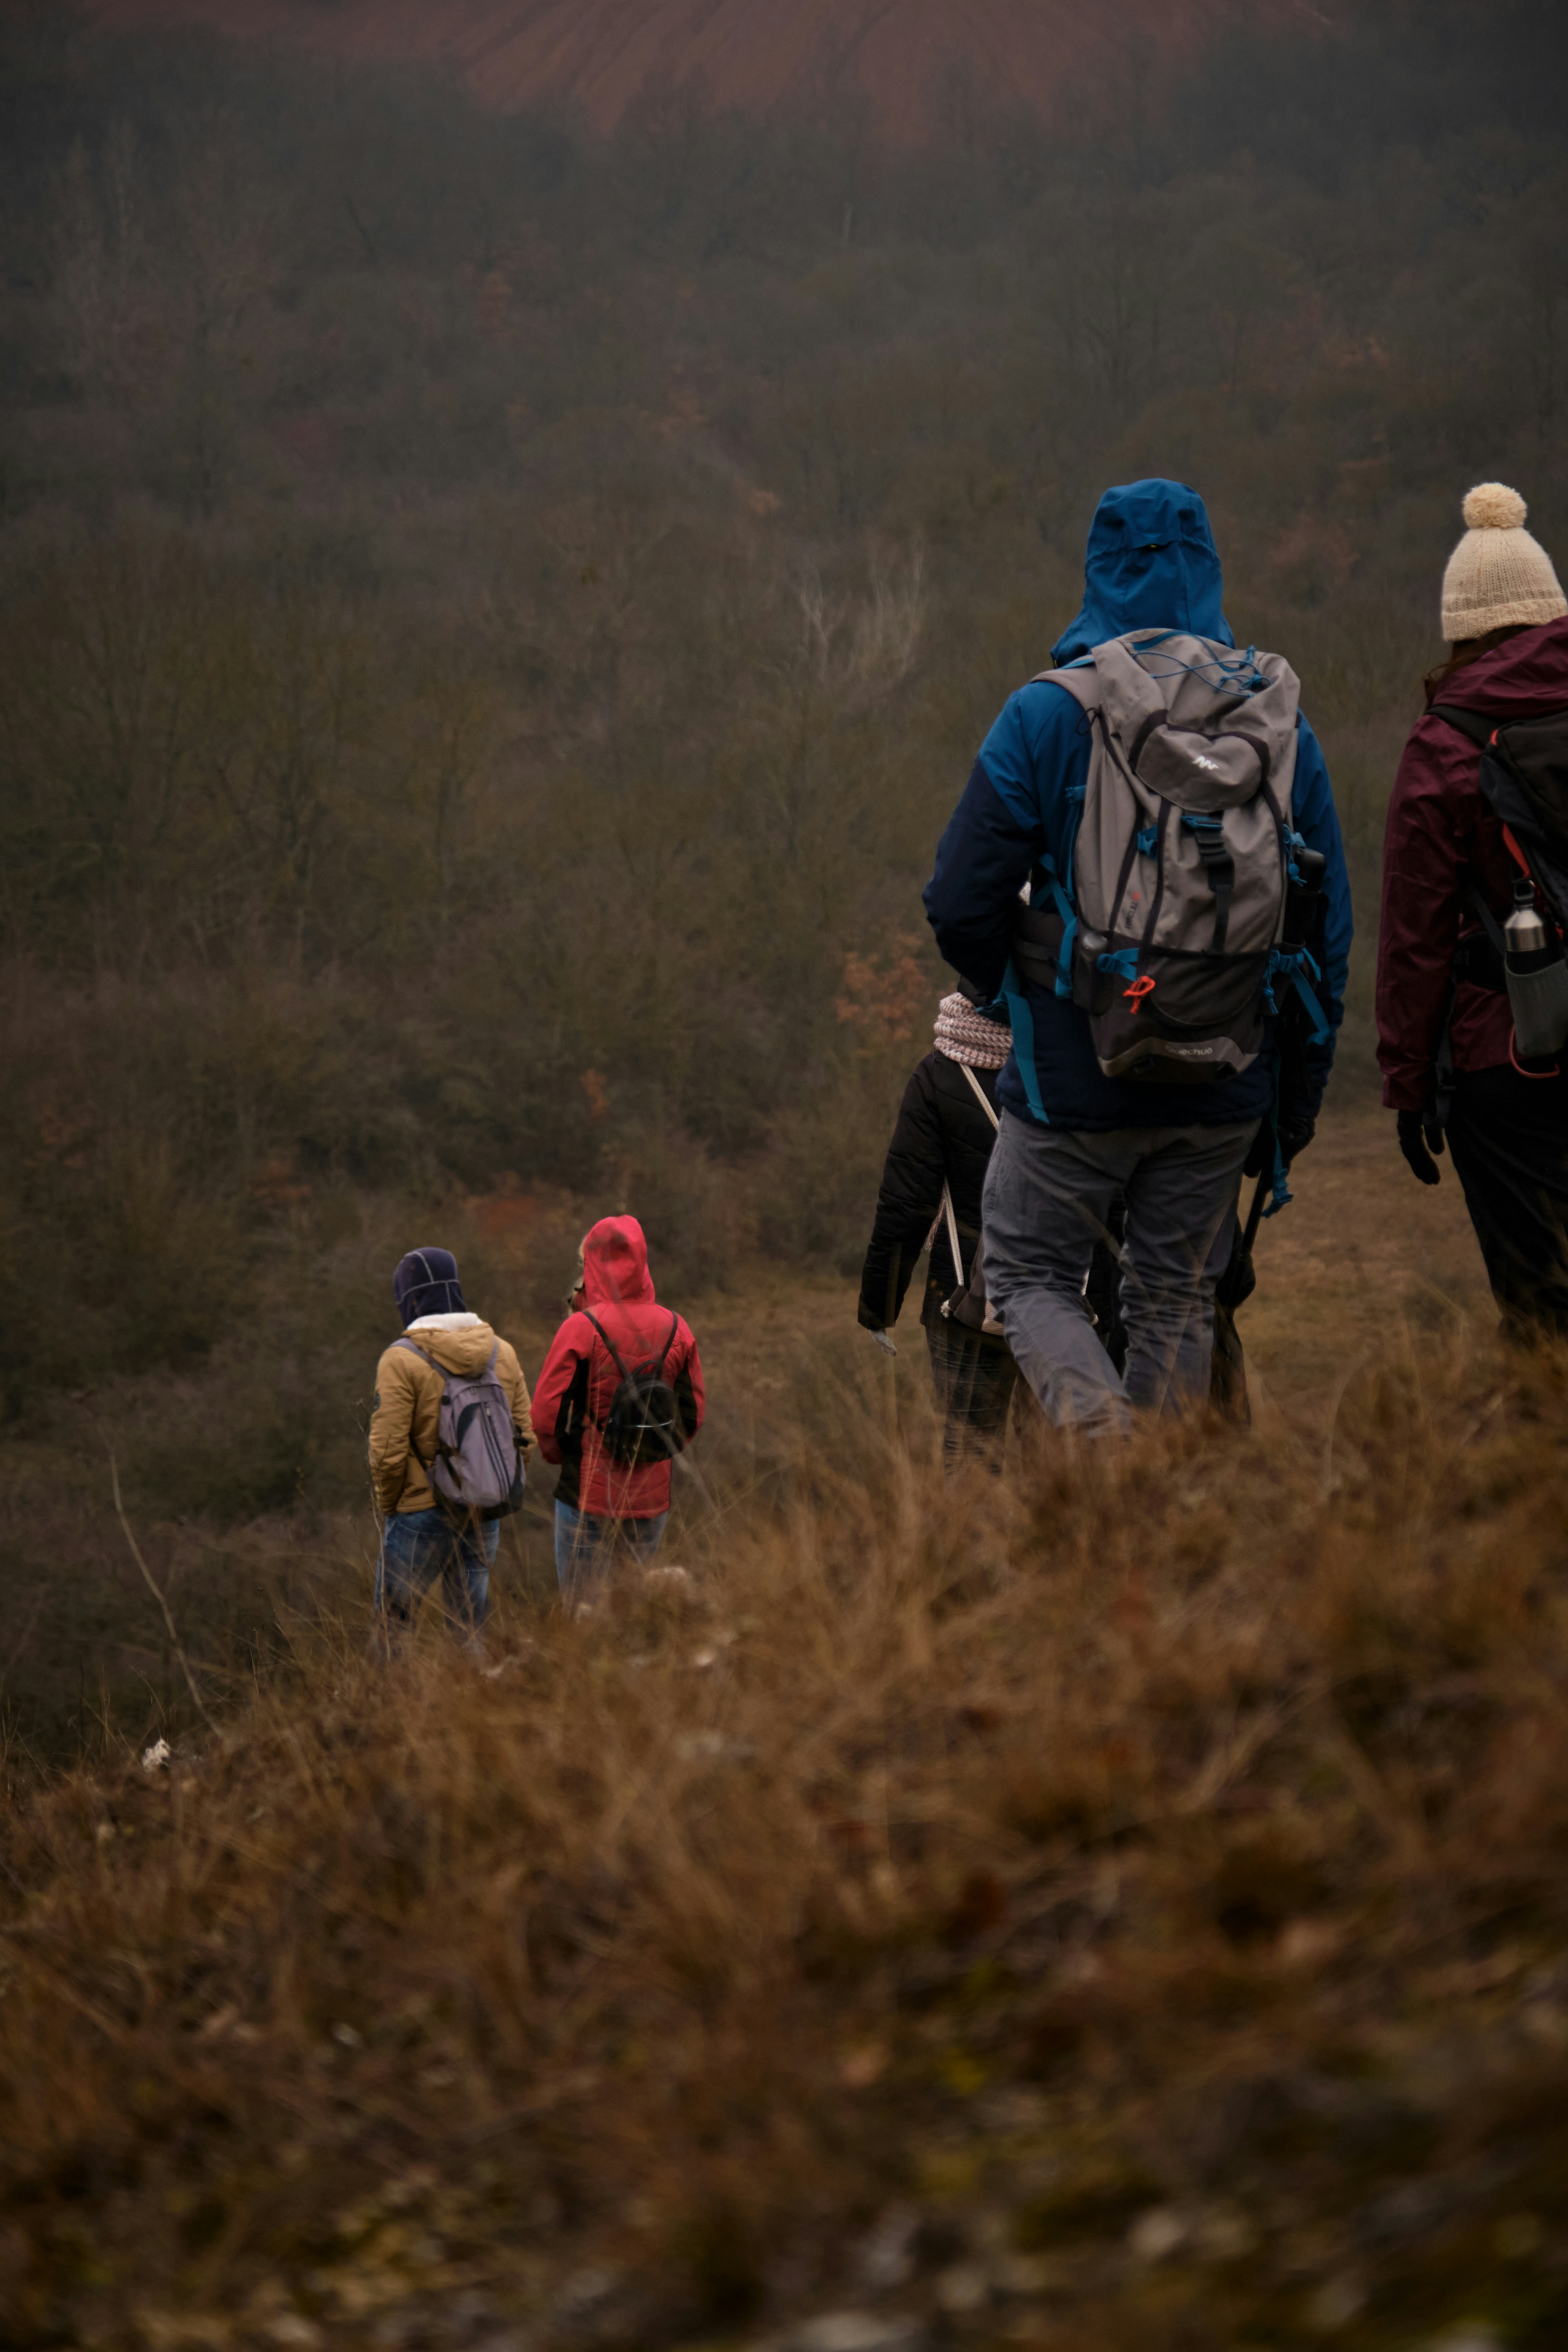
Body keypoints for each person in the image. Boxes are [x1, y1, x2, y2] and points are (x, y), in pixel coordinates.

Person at [924, 477, 1353, 1433]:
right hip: (1226, 1081)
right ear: (1208, 571)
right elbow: (1326, 937)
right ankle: (1155, 1517)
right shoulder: (1281, 727)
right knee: (1173, 1298)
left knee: (1028, 1272)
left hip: (1077, 1080)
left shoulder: (1044, 716)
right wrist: (1292, 1107)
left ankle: (1108, 1462)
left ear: (1098, 575)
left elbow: (958, 899)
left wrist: (1020, 996)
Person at [1377, 482, 1568, 1332]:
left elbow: (1415, 932)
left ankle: (1540, 1455)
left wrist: (1408, 1085)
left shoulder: (1447, 738)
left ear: (1461, 625)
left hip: (1510, 1054)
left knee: (1540, 1305)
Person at [856, 986, 1124, 1462]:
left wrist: (879, 1307)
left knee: (968, 1461)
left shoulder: (939, 1074)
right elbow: (1122, 1201)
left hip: (963, 1301)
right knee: (1056, 1467)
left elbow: (906, 1203)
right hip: (1078, 1304)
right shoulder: (1093, 1066)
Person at [532, 1215, 704, 1605]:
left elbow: (545, 1416)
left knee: (583, 1612)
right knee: (633, 1609)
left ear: (591, 1264)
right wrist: (654, 1452)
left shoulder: (580, 1328)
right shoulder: (678, 1328)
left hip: (586, 1492)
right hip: (651, 1495)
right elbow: (691, 1416)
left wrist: (563, 1457)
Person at [369, 1246, 534, 1650]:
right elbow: (524, 1439)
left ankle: (385, 1707)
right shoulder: (502, 1352)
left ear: (408, 1300)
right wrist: (488, 1484)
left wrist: (394, 1505)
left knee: (394, 1625)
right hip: (483, 1508)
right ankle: (478, 1700)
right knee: (472, 1624)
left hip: (420, 1512)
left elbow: (387, 1451)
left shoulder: (400, 1359)